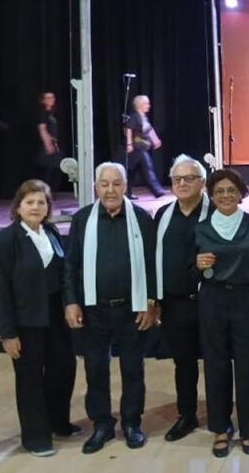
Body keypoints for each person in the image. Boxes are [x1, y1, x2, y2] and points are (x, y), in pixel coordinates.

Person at [63, 162, 159, 454]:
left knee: (133, 370)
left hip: (132, 309)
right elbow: (70, 264)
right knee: (95, 370)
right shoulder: (82, 219)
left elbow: (153, 263)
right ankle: (102, 424)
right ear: (96, 187)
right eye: (104, 184)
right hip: (93, 310)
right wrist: (71, 301)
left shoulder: (141, 218)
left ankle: (131, 423)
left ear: (126, 186)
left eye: (116, 184)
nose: (110, 190)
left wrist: (150, 302)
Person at [0, 180, 78, 457]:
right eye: (29, 202)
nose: (36, 207)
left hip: (55, 317)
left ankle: (58, 422)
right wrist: (7, 333)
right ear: (18, 207)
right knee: (30, 381)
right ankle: (35, 437)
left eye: (41, 202)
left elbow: (63, 274)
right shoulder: (6, 239)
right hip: (25, 322)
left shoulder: (51, 231)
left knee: (63, 368)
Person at [194, 168, 249, 456]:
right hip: (212, 301)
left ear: (241, 193)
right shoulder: (201, 229)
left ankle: (247, 429)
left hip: (246, 301)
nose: (226, 195)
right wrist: (196, 265)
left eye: (231, 190)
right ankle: (220, 428)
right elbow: (187, 271)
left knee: (245, 369)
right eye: (219, 191)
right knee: (215, 367)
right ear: (211, 196)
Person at [152, 155, 211, 444]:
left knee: (216, 362)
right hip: (174, 304)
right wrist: (154, 300)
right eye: (177, 179)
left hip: (210, 302)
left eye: (189, 178)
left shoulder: (216, 213)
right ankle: (187, 415)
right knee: (183, 364)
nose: (183, 183)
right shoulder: (162, 214)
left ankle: (220, 415)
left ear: (203, 182)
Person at [124, 95, 166, 199]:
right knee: (147, 168)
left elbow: (149, 129)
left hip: (142, 147)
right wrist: (129, 144)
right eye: (146, 103)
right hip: (137, 147)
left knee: (133, 172)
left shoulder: (143, 117)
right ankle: (157, 191)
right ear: (140, 105)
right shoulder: (134, 117)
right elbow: (128, 129)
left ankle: (127, 193)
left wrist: (155, 140)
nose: (149, 105)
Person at [36, 91, 64, 191]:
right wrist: (48, 144)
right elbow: (42, 129)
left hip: (54, 144)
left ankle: (49, 191)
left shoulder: (51, 114)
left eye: (52, 97)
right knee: (48, 169)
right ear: (43, 100)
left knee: (55, 168)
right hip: (47, 145)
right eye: (48, 98)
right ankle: (43, 191)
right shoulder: (43, 114)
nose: (51, 100)